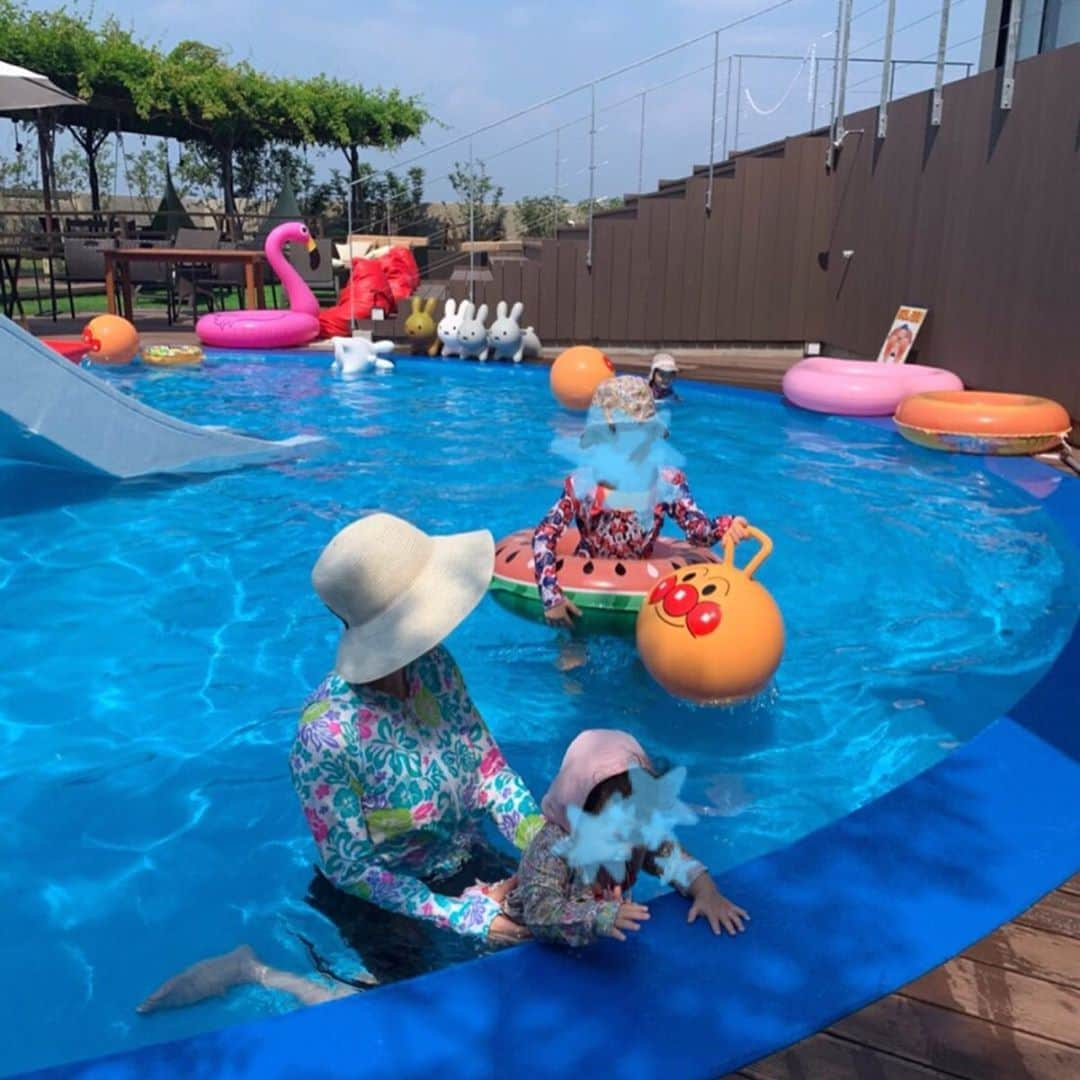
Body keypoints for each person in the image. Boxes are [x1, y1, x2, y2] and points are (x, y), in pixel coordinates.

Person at [138, 513, 542, 1014]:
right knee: (394, 1016)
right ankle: (257, 971)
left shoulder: (432, 665)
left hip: (461, 858)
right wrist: (466, 917)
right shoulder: (325, 736)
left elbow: (487, 772)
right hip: (381, 899)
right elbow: (353, 870)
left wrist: (545, 845)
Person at [533, 375, 750, 627]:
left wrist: (726, 525)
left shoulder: (666, 482)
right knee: (572, 658)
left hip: (644, 592)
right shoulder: (583, 484)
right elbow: (544, 535)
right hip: (582, 586)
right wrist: (551, 596)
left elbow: (698, 533)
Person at [504, 729, 748, 946]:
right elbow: (540, 913)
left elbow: (675, 861)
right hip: (520, 936)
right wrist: (602, 916)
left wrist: (707, 892)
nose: (631, 847)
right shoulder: (552, 848)